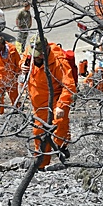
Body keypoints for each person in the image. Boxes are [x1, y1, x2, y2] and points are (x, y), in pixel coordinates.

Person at [19, 35, 77, 170]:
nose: (36, 58)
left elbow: (69, 86)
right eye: (35, 55)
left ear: (45, 50)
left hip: (55, 100)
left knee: (59, 124)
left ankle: (61, 148)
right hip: (38, 104)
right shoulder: (31, 53)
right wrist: (22, 66)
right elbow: (23, 58)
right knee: (38, 132)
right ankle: (40, 164)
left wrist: (61, 105)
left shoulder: (58, 62)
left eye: (39, 55)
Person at [0, 36, 21, 116]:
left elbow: (18, 62)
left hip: (11, 76)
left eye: (0, 47)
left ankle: (17, 109)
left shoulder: (12, 50)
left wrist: (16, 73)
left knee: (14, 94)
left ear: (4, 44)